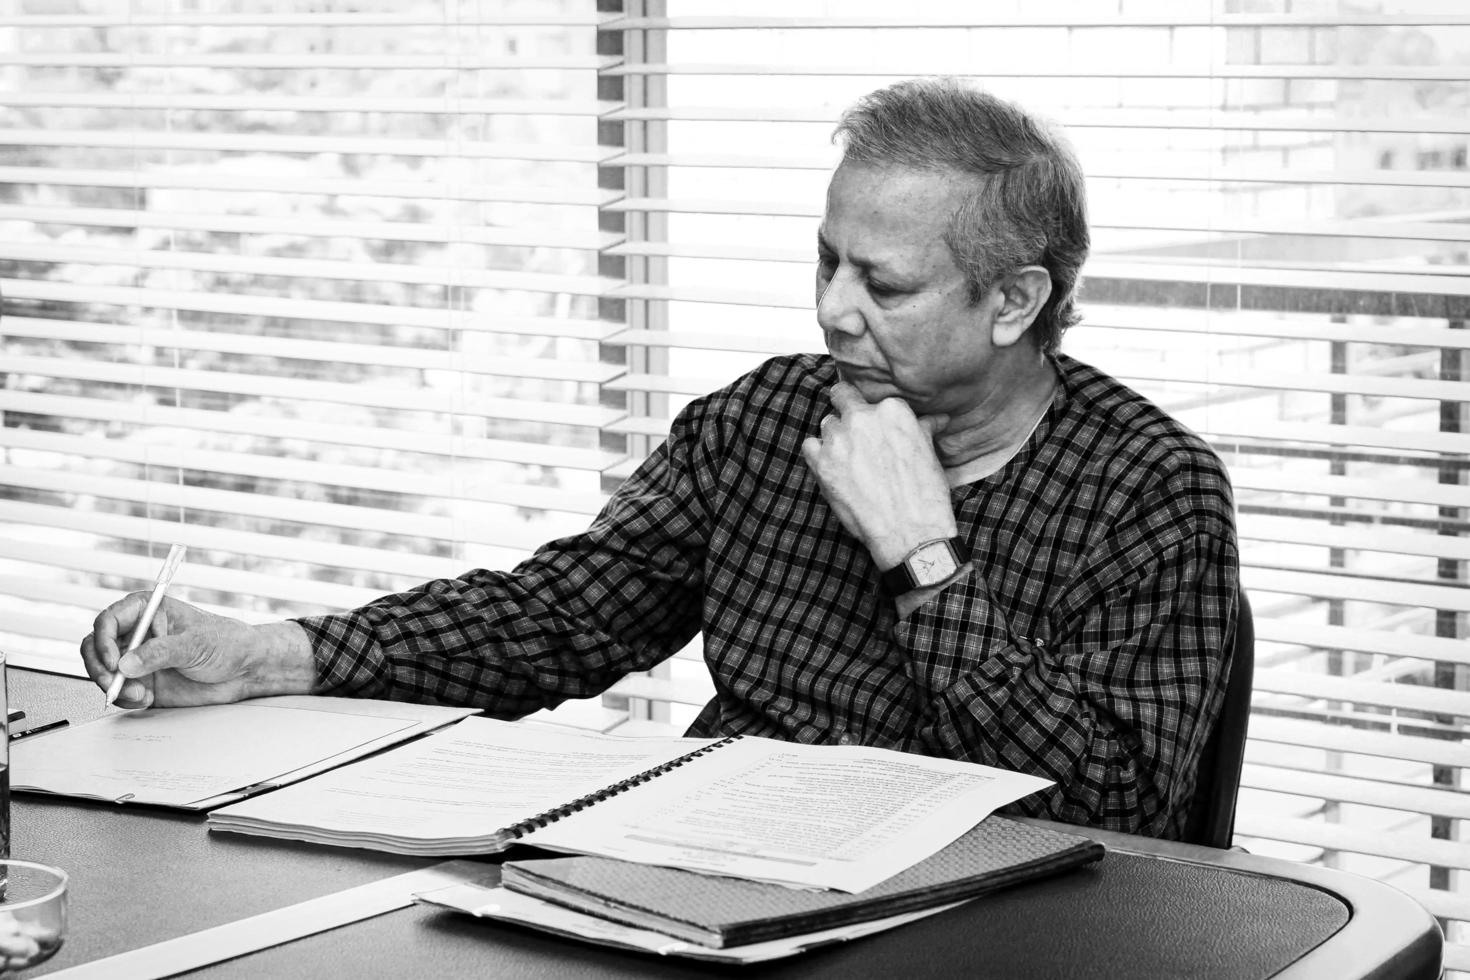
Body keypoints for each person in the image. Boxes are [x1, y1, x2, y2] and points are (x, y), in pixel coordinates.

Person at [81, 76, 1238, 840]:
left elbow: (1118, 810)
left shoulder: (1152, 488)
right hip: (707, 887)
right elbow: (555, 617)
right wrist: (268, 655)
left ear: (1015, 300)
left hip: (993, 937)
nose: (834, 310)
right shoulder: (759, 421)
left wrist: (925, 555)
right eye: (826, 260)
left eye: (882, 283)